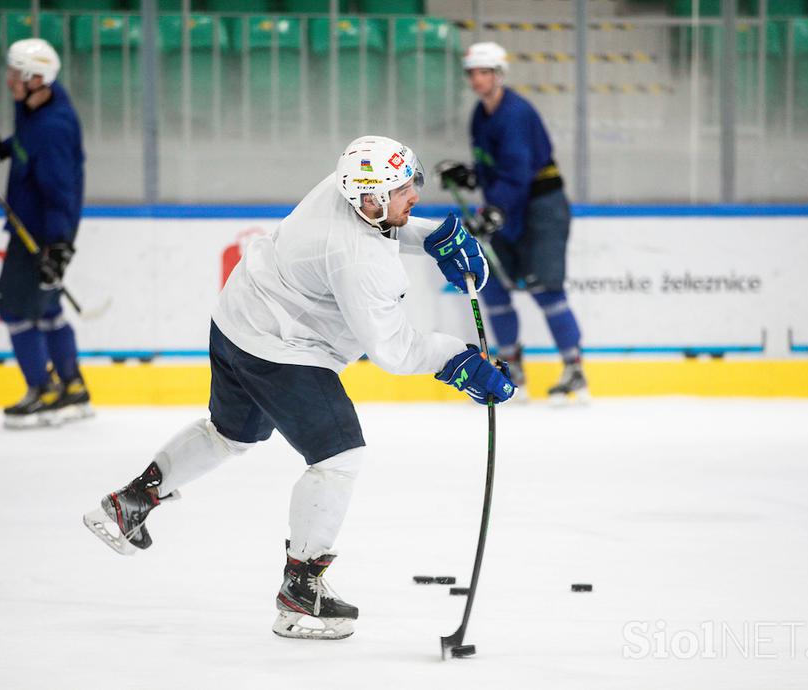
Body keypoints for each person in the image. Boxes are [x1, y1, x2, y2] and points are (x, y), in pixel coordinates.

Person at [83, 135, 515, 640]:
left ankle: (129, 504)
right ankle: (301, 595)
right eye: (402, 191)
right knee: (339, 457)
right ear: (370, 199)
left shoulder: (345, 183)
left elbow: (383, 224)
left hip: (237, 319)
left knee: (230, 435)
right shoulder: (357, 259)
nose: (413, 195)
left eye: (410, 182)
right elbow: (393, 351)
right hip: (280, 348)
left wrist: (434, 236)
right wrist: (460, 361)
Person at [436, 41, 589, 402]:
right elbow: (499, 168)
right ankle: (513, 366)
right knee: (491, 284)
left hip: (540, 208)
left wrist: (495, 208)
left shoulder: (515, 113)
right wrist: (473, 178)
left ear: (499, 75)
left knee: (545, 288)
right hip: (506, 206)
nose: (477, 79)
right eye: (472, 73)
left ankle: (575, 370)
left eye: (484, 72)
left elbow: (519, 173)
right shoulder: (481, 113)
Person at [0, 38, 91, 428]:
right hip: (36, 226)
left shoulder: (54, 127)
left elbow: (60, 191)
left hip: (40, 234)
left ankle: (42, 389)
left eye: (16, 73)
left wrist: (59, 246)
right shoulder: (36, 104)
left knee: (14, 308)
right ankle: (73, 388)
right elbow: (25, 143)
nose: (9, 79)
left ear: (36, 79)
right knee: (46, 308)